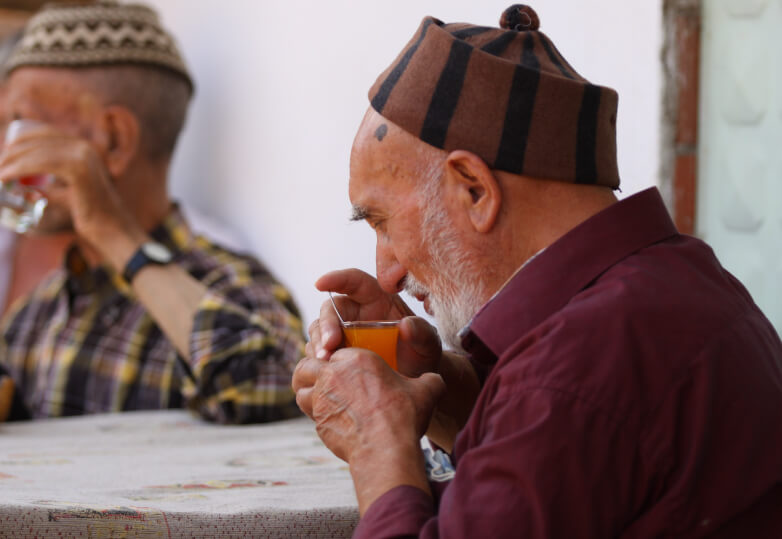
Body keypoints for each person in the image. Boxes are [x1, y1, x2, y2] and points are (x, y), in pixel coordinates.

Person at [293, 4, 782, 537]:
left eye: (383, 222)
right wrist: (437, 388)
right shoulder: (680, 279)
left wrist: (377, 443)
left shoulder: (575, 367)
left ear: (475, 190)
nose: (386, 273)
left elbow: (562, 407)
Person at [0, 1, 305, 424]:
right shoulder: (37, 313)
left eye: (20, 124)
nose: (7, 153)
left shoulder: (238, 291)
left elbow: (270, 389)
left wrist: (113, 233)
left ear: (114, 140)